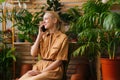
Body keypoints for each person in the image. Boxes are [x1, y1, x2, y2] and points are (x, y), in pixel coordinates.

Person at [19, 11, 68, 80]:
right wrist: (39, 35)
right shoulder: (43, 36)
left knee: (33, 79)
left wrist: (41, 72)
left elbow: (59, 61)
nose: (43, 22)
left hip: (53, 70)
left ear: (54, 20)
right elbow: (33, 53)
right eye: (43, 19)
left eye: (46, 19)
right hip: (39, 67)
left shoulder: (63, 37)